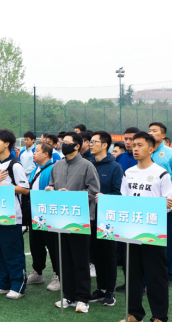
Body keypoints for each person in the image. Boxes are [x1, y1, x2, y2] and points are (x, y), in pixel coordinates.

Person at [118, 131, 172, 322]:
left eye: (140, 145)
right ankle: (135, 314)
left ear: (151, 149)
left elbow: (170, 203)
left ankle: (159, 318)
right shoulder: (128, 173)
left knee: (155, 277)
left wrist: (168, 205)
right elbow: (123, 199)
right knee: (132, 274)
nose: (135, 148)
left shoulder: (161, 173)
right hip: (131, 232)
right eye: (134, 145)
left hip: (153, 233)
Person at [46, 131, 100, 312]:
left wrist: (72, 195)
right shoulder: (57, 165)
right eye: (62, 142)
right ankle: (68, 296)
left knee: (80, 260)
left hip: (80, 219)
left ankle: (83, 298)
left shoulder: (87, 166)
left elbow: (94, 191)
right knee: (64, 259)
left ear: (77, 146)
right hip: (60, 219)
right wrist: (50, 189)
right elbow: (52, 184)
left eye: (67, 142)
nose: (63, 145)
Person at [0, 129, 30, 299]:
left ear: (7, 144)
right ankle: (2, 282)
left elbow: (25, 189)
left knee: (12, 251)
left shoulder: (15, 165)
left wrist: (4, 186)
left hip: (11, 216)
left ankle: (18, 285)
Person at [88, 131, 123, 306]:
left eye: (94, 142)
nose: (91, 144)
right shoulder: (88, 164)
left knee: (109, 255)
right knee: (95, 254)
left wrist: (105, 197)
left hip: (108, 219)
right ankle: (100, 289)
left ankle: (110, 291)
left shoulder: (115, 167)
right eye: (90, 141)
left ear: (104, 145)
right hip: (90, 216)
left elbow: (119, 193)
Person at [149, 122, 172, 286]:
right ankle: (150, 273)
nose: (150, 132)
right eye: (149, 130)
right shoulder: (146, 152)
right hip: (148, 205)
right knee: (149, 239)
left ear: (163, 135)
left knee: (168, 241)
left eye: (154, 130)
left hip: (167, 205)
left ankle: (168, 274)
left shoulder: (171, 153)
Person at [26, 142, 59, 291]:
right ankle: (37, 272)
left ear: (46, 154)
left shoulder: (53, 169)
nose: (34, 153)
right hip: (35, 214)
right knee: (36, 244)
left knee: (53, 246)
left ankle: (59, 275)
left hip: (48, 215)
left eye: (37, 151)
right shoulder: (35, 169)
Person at [114, 126, 140, 292]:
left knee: (140, 248)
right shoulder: (120, 158)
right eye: (126, 139)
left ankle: (142, 284)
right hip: (123, 208)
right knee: (125, 249)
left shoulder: (145, 159)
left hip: (140, 210)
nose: (129, 142)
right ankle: (129, 281)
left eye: (132, 139)